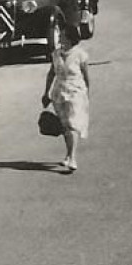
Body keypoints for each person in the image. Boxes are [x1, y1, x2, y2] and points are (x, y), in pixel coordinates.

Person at [42, 17, 91, 173]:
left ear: (70, 38)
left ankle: (73, 158)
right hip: (59, 93)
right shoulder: (56, 54)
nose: (60, 38)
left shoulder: (80, 55)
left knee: (72, 124)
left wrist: (86, 95)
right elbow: (51, 74)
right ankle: (68, 154)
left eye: (63, 35)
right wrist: (46, 93)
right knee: (65, 126)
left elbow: (86, 76)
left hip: (75, 92)